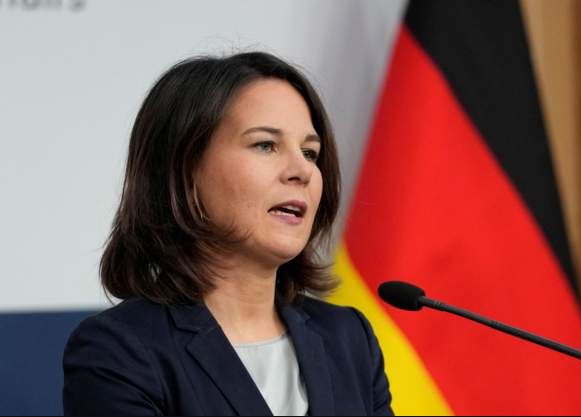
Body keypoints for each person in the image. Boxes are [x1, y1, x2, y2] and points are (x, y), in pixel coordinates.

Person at [62, 52, 393, 416]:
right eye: (265, 145)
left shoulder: (348, 338)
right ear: (185, 171)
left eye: (310, 152)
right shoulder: (119, 351)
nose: (302, 170)